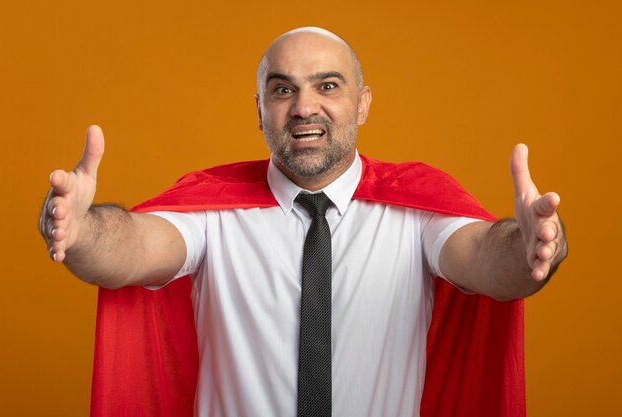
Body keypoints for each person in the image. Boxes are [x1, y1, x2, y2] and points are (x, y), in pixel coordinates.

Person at [39, 27, 567, 417]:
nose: (303, 108)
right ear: (260, 108)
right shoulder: (211, 213)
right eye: (283, 89)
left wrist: (530, 245)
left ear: (362, 105)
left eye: (328, 86)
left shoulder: (417, 213)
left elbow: (484, 259)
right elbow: (132, 247)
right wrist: (82, 230)